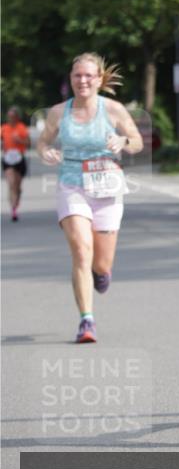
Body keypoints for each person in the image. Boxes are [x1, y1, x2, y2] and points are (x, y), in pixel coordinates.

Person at [37, 53, 143, 343]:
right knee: (81, 252)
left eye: (88, 76)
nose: (82, 81)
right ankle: (87, 321)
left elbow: (137, 141)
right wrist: (45, 151)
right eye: (76, 76)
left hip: (107, 188)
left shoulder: (113, 110)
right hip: (72, 185)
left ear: (98, 79)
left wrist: (122, 141)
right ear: (70, 79)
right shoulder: (59, 112)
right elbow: (43, 141)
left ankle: (101, 273)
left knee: (102, 264)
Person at [1, 107, 30, 221]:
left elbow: (28, 143)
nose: (11, 119)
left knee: (17, 187)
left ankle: (16, 201)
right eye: (9, 117)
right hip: (8, 159)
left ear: (17, 117)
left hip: (19, 159)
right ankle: (13, 210)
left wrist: (20, 140)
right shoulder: (4, 128)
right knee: (11, 183)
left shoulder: (21, 128)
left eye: (13, 117)